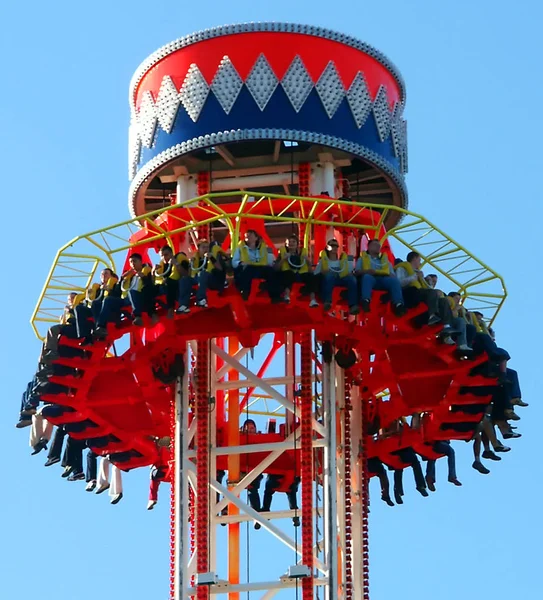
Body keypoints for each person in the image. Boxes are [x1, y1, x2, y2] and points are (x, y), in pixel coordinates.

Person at [395, 252, 456, 342]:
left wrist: (428, 283)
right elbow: (399, 283)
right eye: (419, 260)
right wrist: (414, 277)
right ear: (414, 258)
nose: (420, 263)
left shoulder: (420, 274)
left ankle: (446, 328)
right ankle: (432, 315)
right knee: (431, 293)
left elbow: (429, 290)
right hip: (409, 294)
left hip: (420, 298)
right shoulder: (402, 268)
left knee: (443, 301)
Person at [94, 253, 157, 336]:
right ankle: (101, 327)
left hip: (141, 297)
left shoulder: (147, 272)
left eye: (134, 261)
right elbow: (117, 293)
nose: (132, 264)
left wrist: (144, 278)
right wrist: (121, 280)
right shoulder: (130, 277)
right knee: (108, 300)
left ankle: (138, 316)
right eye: (131, 262)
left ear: (140, 262)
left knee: (132, 292)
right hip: (127, 299)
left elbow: (151, 287)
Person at [355, 239, 404, 315]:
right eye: (375, 245)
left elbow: (392, 274)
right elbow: (357, 271)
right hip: (370, 279)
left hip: (383, 280)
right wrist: (367, 271)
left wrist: (387, 274)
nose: (378, 247)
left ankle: (398, 304)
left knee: (394, 281)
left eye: (379, 246)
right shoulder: (362, 259)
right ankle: (365, 300)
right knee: (367, 277)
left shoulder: (386, 262)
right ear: (369, 247)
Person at [177, 240, 227, 313]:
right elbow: (190, 275)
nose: (206, 249)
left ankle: (201, 299)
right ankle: (183, 305)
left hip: (211, 279)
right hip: (197, 279)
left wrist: (212, 258)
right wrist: (190, 264)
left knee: (202, 274)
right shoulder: (195, 258)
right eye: (203, 247)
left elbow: (220, 268)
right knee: (184, 279)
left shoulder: (212, 257)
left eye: (207, 247)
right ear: (198, 249)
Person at [314, 238, 358, 314]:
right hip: (328, 280)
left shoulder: (342, 262)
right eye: (332, 245)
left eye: (336, 246)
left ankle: (353, 305)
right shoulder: (323, 261)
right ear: (327, 247)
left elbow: (348, 272)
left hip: (340, 279)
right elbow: (315, 274)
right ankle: (327, 301)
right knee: (329, 276)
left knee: (352, 279)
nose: (335, 247)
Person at [274, 235, 318, 307]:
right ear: (286, 245)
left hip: (300, 275)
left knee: (311, 277)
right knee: (289, 274)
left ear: (297, 244)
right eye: (289, 242)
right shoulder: (282, 254)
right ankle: (286, 295)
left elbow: (310, 271)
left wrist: (307, 261)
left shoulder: (302, 255)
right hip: (287, 274)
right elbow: (276, 268)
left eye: (293, 242)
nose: (291, 243)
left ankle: (312, 299)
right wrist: (283, 259)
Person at [75, 268, 119, 341]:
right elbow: (88, 303)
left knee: (96, 303)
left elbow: (118, 295)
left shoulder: (115, 285)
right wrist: (87, 298)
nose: (103, 275)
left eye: (106, 273)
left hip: (109, 310)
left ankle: (100, 328)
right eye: (102, 274)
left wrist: (109, 290)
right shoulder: (96, 289)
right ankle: (85, 336)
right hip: (94, 310)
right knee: (79, 308)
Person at [232, 230, 277, 301]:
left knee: (271, 271)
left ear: (256, 238)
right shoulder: (240, 248)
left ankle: (274, 295)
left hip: (260, 268)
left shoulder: (263, 248)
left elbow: (269, 260)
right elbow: (234, 262)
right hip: (247, 269)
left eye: (250, 235)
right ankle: (245, 292)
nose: (248, 237)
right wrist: (240, 263)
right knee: (249, 270)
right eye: (246, 236)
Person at [153, 245, 189, 317]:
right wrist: (153, 273)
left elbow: (186, 274)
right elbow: (155, 282)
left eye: (166, 255)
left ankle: (170, 308)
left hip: (179, 284)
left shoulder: (179, 258)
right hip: (165, 287)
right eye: (161, 256)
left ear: (171, 254)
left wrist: (176, 263)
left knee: (169, 282)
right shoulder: (161, 265)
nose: (164, 258)